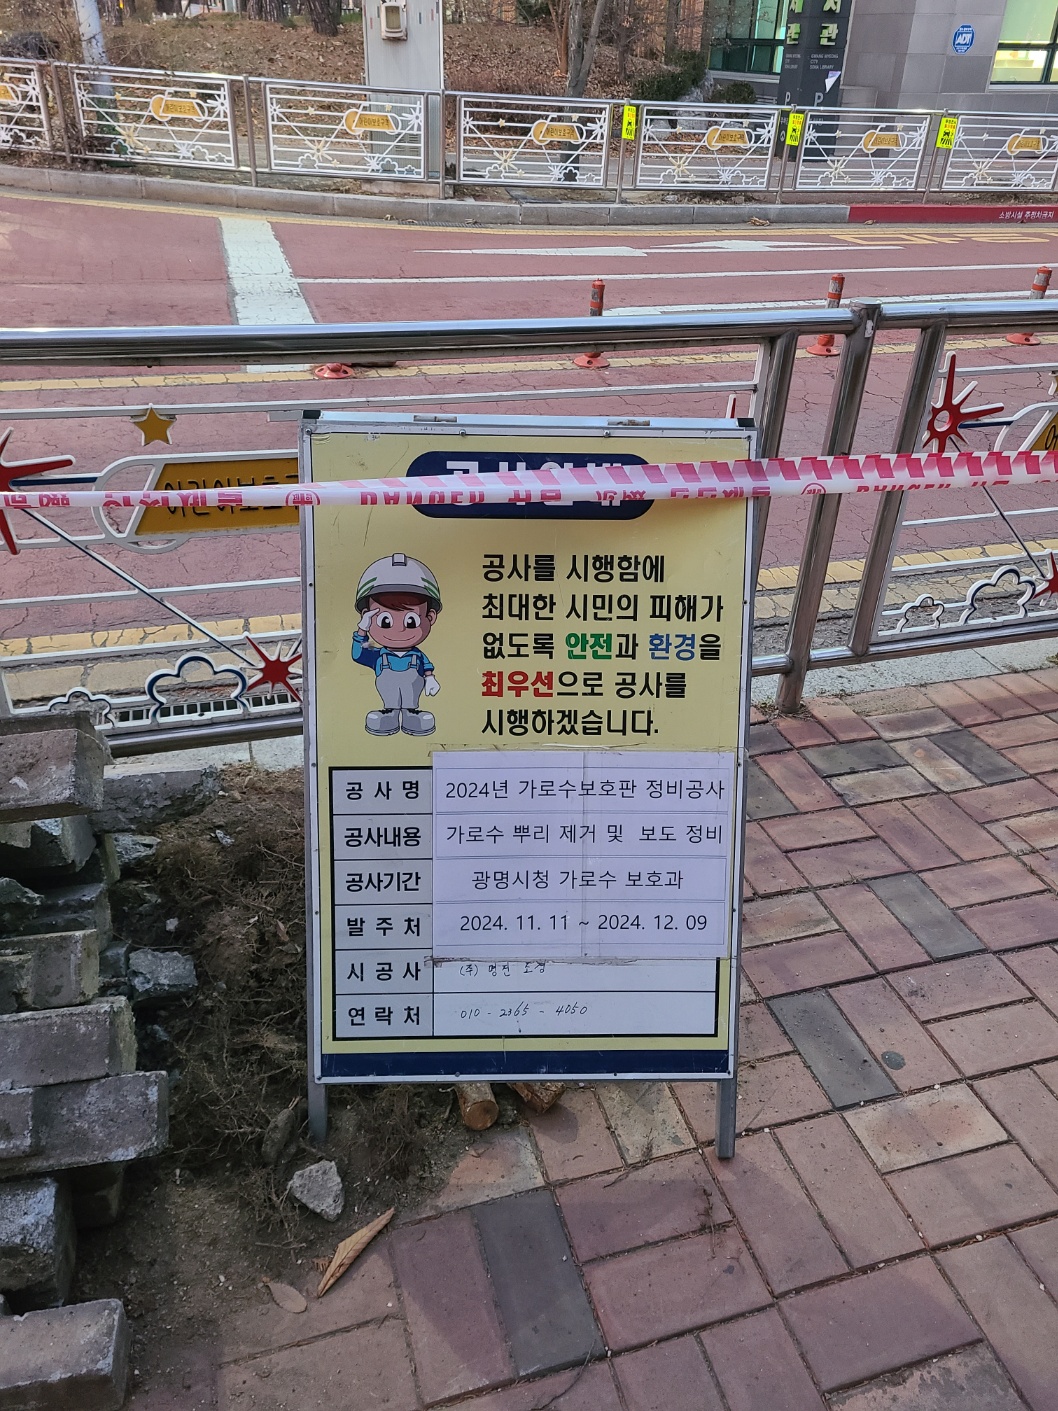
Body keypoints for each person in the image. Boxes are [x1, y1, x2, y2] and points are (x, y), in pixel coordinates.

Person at [352, 553, 442, 737]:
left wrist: (430, 679)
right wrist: (362, 631)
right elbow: (358, 654)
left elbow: (427, 668)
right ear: (367, 616)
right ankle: (389, 715)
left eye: (411, 621)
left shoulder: (417, 656)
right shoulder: (378, 654)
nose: (400, 629)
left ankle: (411, 715)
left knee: (412, 702)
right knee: (388, 703)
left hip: (412, 700)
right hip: (388, 702)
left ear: (430, 617)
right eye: (386, 621)